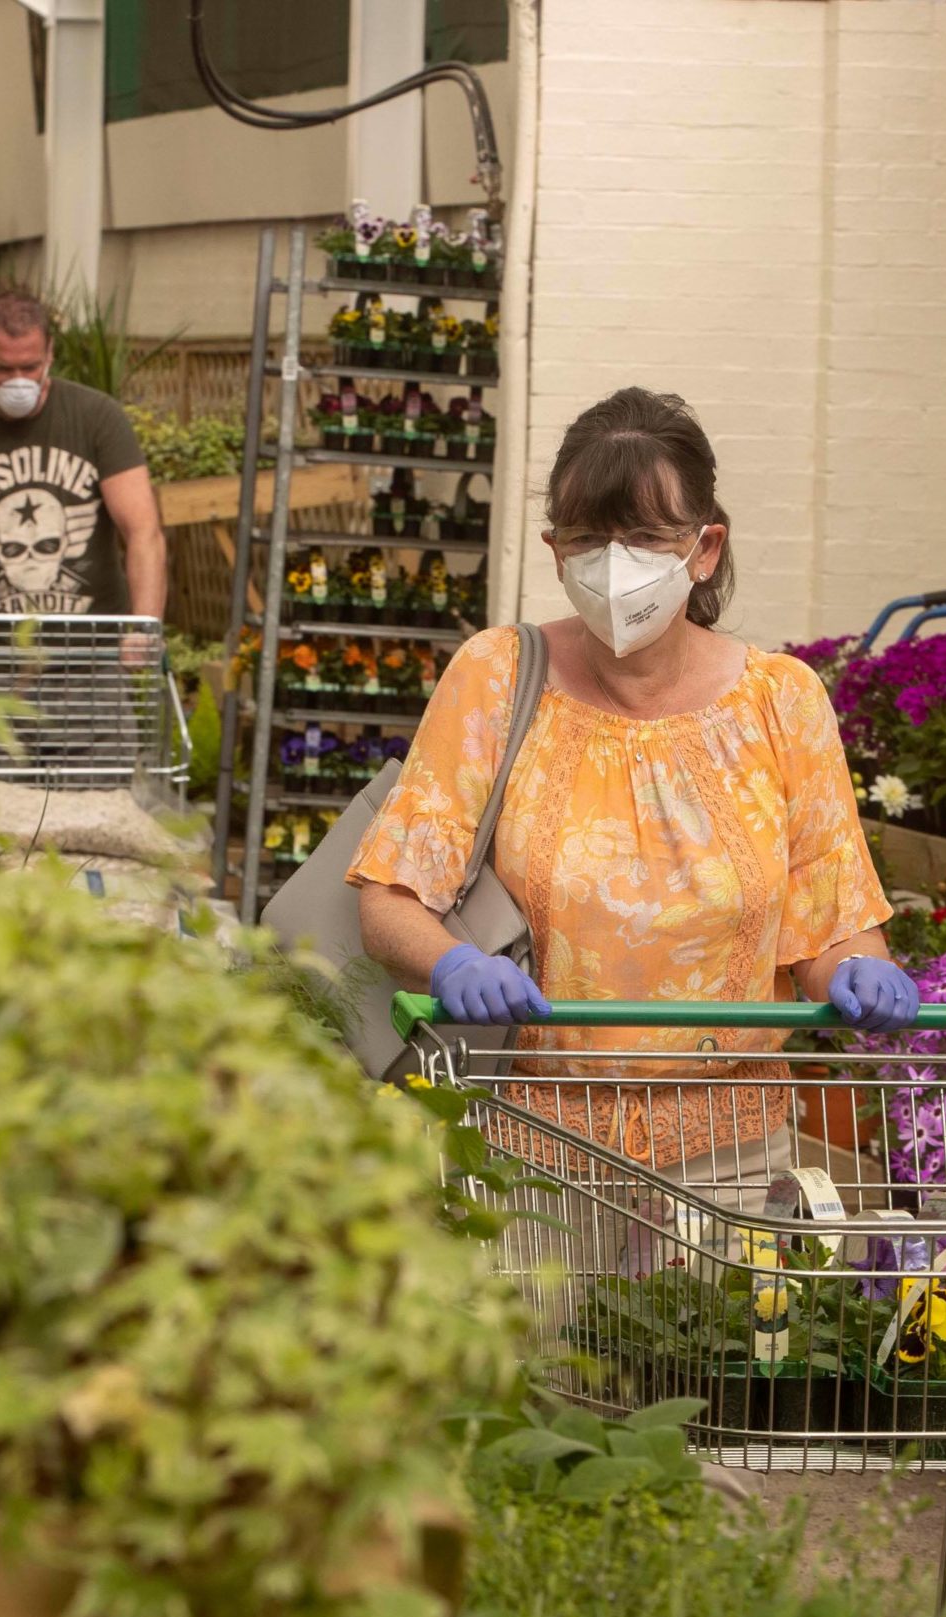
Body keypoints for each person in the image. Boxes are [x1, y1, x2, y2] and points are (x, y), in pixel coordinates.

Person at [348, 387, 915, 1210]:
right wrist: (450, 959)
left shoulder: (782, 703)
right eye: (587, 538)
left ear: (705, 547)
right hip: (527, 1150)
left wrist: (864, 970)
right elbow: (391, 898)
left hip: (732, 1159)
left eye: (647, 537)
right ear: (553, 550)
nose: (615, 565)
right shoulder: (497, 677)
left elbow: (832, 924)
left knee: (713, 1344)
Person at [0, 291, 167, 620]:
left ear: (50, 353)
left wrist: (143, 631)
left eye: (30, 366)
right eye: (2, 368)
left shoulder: (97, 417)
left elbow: (143, 532)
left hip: (94, 645)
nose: (18, 381)